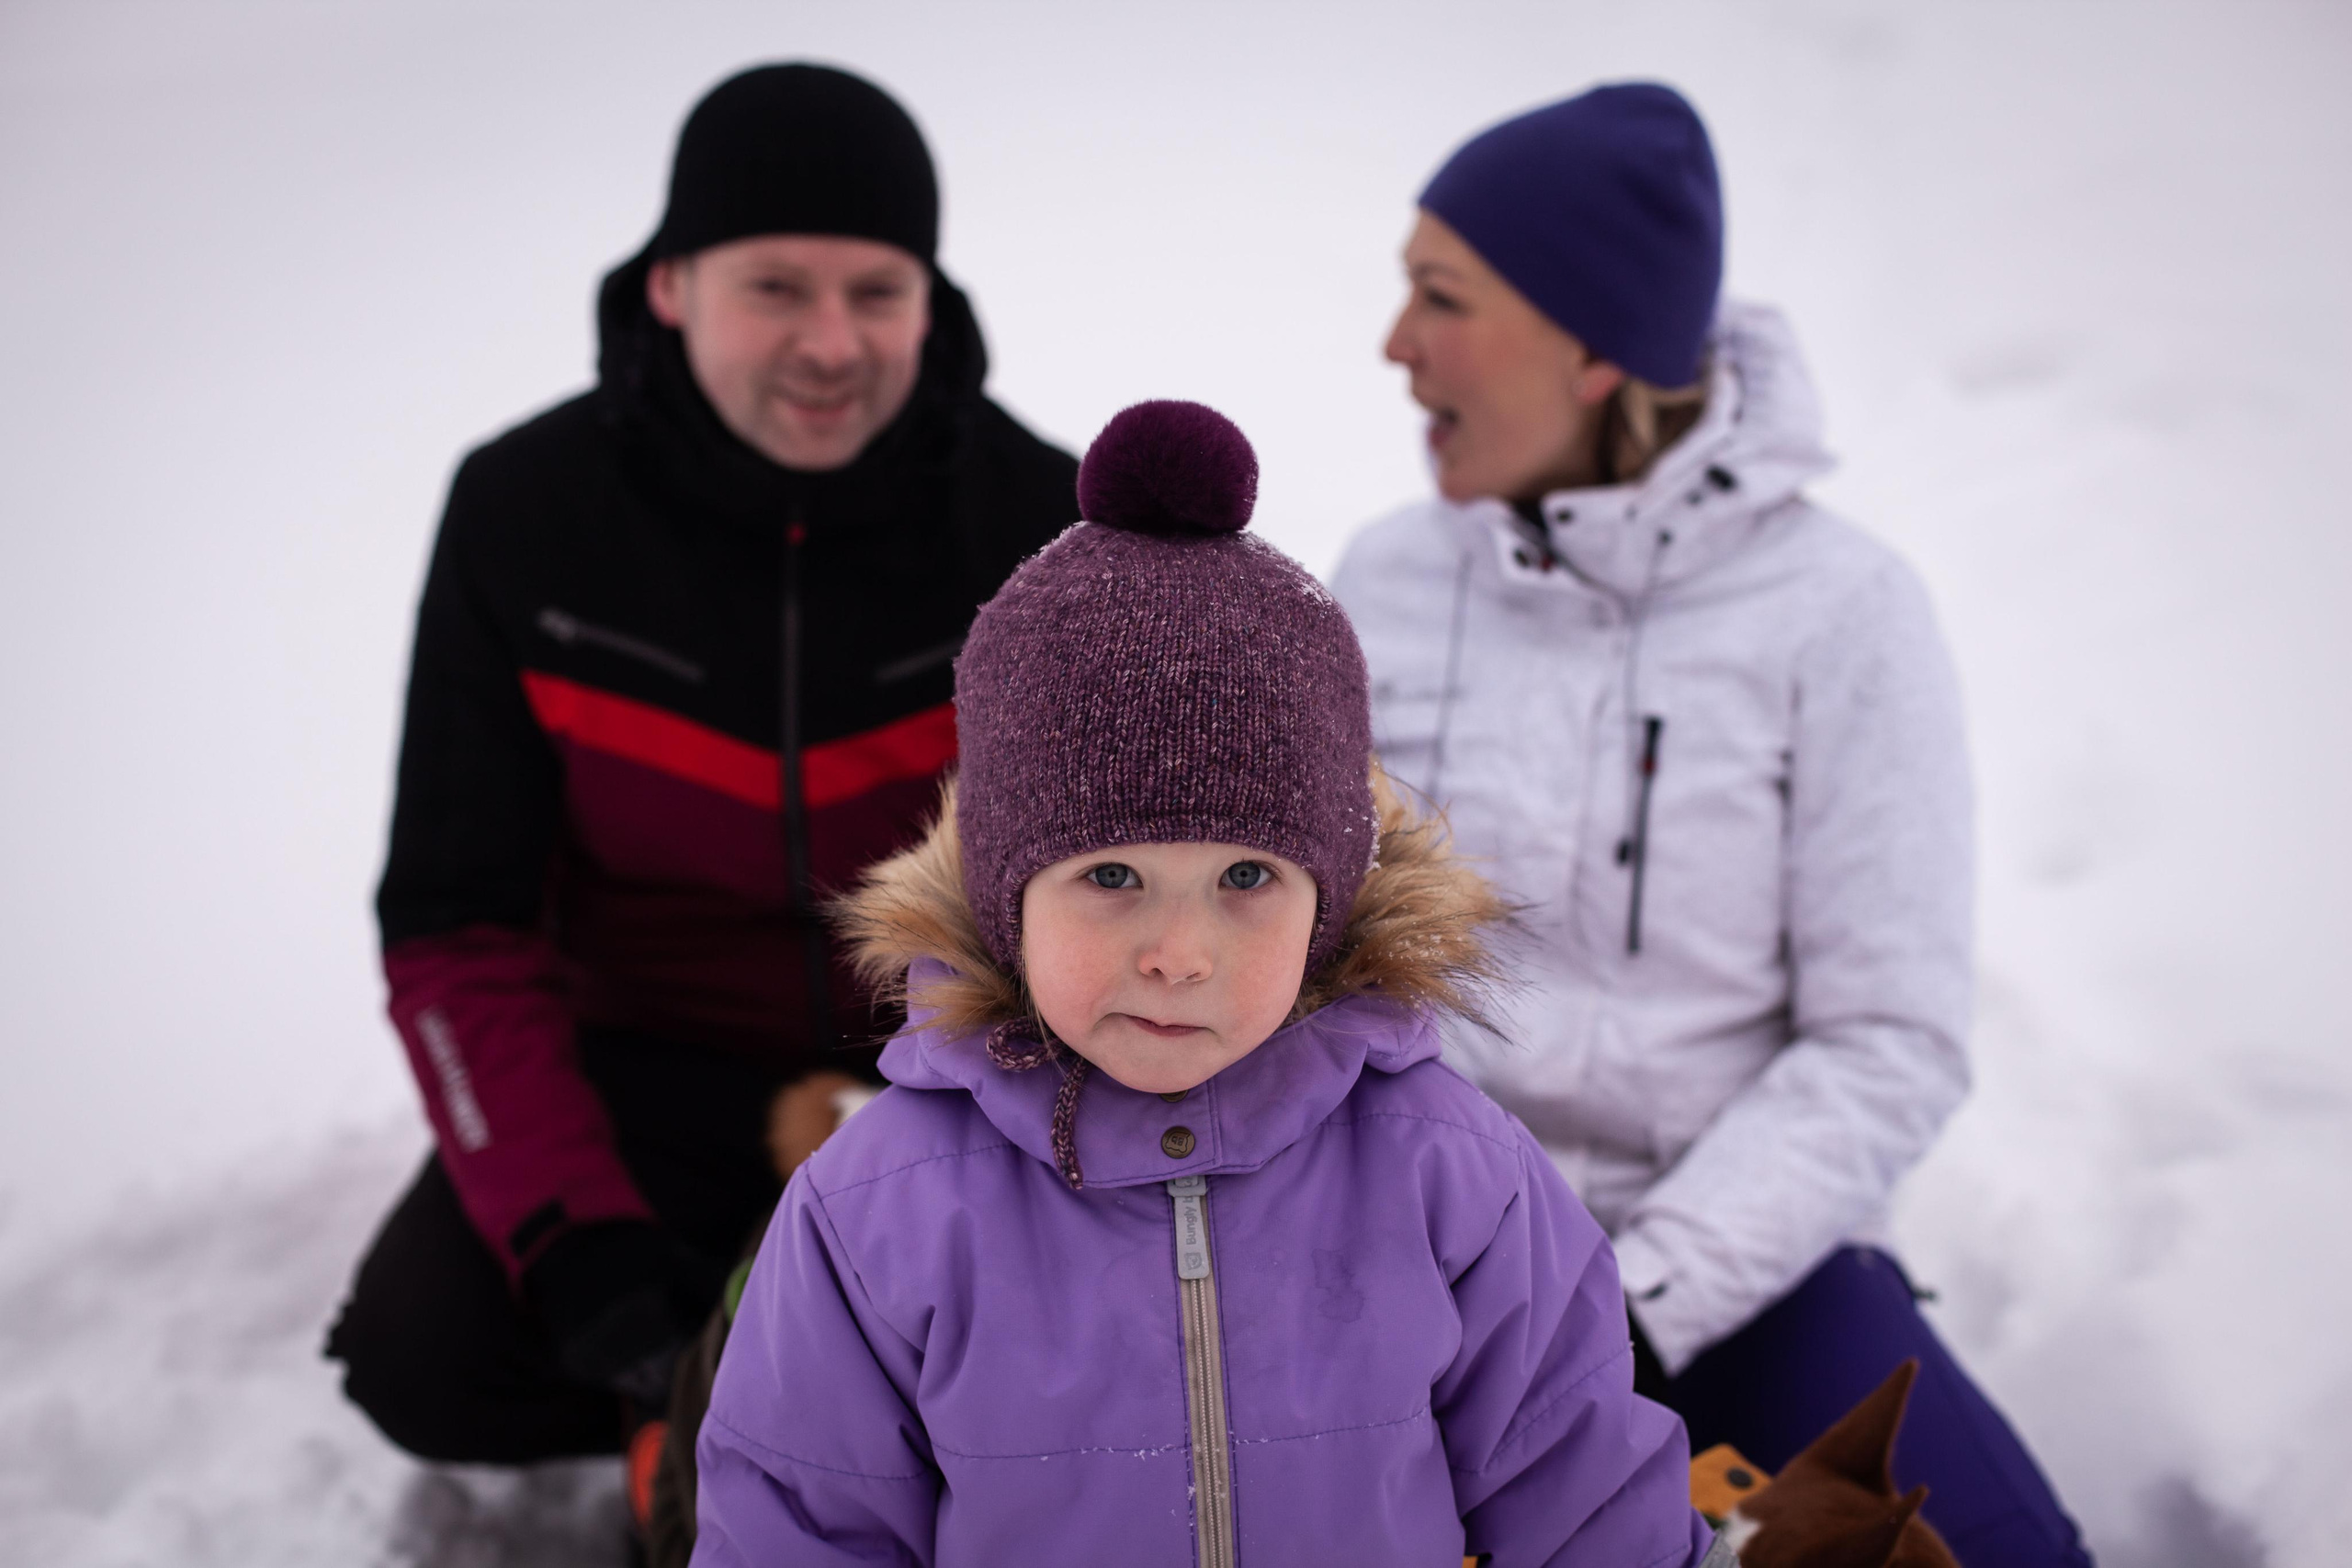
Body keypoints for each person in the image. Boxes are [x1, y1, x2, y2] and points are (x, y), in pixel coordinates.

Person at [688, 401, 1720, 1566]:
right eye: (1111, 876)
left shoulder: (1448, 1173)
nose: (1179, 952)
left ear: (1330, 899)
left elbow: (1586, 1503)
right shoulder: (883, 1207)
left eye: (1245, 877)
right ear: (1003, 894)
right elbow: (802, 1532)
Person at [1331, 84, 2093, 1565]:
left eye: (1443, 297)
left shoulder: (1842, 613)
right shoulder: (1385, 582)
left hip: (1735, 1274)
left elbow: (1886, 1041)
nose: (1396, 344)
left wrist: (1634, 1300)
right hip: (1423, 1265)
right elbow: (1314, 960)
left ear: (1595, 347)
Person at [326, 63, 1079, 1472]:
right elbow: (455, 926)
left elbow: (1116, 888)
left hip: (942, 1064)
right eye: (775, 287)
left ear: (933, 299)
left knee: (1015, 1369)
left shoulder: (1039, 523)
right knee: (430, 1354)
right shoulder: (524, 516)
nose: (832, 343)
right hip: (646, 1068)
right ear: (670, 284)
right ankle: (678, 1422)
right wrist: (576, 1235)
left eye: (878, 291)